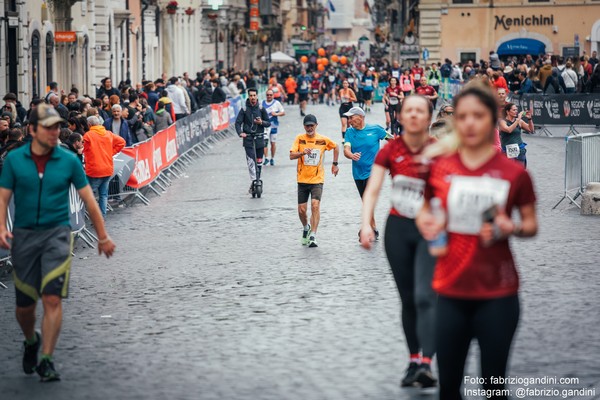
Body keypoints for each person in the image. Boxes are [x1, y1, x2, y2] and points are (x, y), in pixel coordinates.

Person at [416, 83, 538, 400]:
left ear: (492, 120)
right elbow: (428, 212)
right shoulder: (440, 167)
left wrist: (507, 227)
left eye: (478, 116)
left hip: (498, 294)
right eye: (464, 116)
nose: (470, 123)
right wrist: (433, 231)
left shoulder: (513, 173)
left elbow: (530, 225)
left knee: (494, 389)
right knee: (449, 389)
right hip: (451, 291)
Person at [0, 104, 116, 382]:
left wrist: (103, 236)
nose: (55, 132)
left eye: (57, 127)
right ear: (32, 130)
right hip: (25, 236)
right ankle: (31, 340)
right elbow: (3, 197)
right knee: (24, 307)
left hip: (58, 235)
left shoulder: (68, 160)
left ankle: (47, 359)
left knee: (52, 298)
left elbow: (89, 199)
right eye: (48, 127)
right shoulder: (15, 160)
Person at [359, 95, 438, 388]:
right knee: (408, 299)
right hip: (399, 229)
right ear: (400, 117)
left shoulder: (441, 150)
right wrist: (365, 223)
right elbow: (373, 189)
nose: (414, 115)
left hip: (431, 230)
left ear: (429, 117)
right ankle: (414, 359)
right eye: (409, 111)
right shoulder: (391, 150)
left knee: (425, 295)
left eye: (420, 111)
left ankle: (428, 364)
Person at [289, 114, 339, 248]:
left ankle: (313, 236)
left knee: (315, 206)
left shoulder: (322, 140)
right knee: (301, 210)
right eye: (307, 125)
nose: (309, 128)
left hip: (317, 179)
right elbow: (291, 155)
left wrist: (335, 164)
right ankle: (306, 227)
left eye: (312, 125)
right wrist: (302, 153)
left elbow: (336, 146)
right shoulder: (299, 139)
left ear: (316, 125)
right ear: (304, 126)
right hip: (302, 179)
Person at [343, 106, 388, 239]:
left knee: (367, 200)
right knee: (365, 200)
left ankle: (367, 227)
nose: (349, 120)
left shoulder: (376, 130)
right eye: (348, 118)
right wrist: (351, 155)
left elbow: (393, 140)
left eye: (351, 117)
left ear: (360, 117)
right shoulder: (349, 132)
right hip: (357, 173)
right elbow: (346, 149)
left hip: (373, 171)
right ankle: (373, 228)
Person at [83, 116, 126, 217]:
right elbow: (122, 142)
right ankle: (101, 216)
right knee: (103, 195)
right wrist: (111, 153)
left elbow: (82, 148)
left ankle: (93, 216)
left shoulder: (88, 135)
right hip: (107, 168)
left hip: (94, 170)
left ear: (89, 125)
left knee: (89, 195)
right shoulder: (108, 134)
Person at [235, 88, 271, 194]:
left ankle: (257, 180)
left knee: (259, 162)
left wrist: (261, 123)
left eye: (254, 95)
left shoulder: (261, 108)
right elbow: (238, 123)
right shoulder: (244, 109)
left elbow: (268, 122)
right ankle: (254, 180)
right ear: (248, 97)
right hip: (248, 139)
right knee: (251, 161)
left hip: (259, 138)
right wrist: (240, 133)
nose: (253, 97)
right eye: (251, 96)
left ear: (257, 96)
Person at [499, 103, 534, 168]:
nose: (516, 112)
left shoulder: (519, 121)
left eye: (516, 110)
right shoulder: (502, 122)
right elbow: (509, 130)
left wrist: (529, 119)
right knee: (508, 173)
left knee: (520, 173)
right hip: (507, 152)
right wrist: (518, 120)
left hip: (520, 150)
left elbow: (531, 130)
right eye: (514, 110)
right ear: (508, 111)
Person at [262, 89, 285, 166]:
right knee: (264, 143)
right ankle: (266, 158)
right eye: (267, 95)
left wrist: (275, 114)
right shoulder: (262, 103)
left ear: (273, 95)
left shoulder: (276, 103)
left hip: (274, 126)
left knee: (273, 143)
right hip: (265, 126)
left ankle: (272, 158)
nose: (269, 96)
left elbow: (283, 112)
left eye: (270, 95)